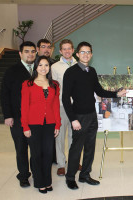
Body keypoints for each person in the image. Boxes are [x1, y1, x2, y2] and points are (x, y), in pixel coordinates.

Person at [62, 41, 127, 190]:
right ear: (77, 54)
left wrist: (116, 94)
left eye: (88, 52)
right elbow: (65, 98)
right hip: (79, 116)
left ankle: (85, 174)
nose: (86, 55)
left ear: (91, 55)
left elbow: (99, 91)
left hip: (91, 115)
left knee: (90, 147)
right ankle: (70, 177)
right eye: (82, 52)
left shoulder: (91, 71)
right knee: (76, 148)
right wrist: (73, 119)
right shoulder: (70, 72)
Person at [21, 56, 61, 194]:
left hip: (49, 124)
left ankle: (47, 181)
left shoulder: (54, 84)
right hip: (33, 124)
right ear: (36, 67)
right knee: (36, 153)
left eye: (46, 65)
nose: (43, 68)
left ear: (49, 68)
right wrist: (25, 126)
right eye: (40, 65)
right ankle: (39, 182)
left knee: (48, 153)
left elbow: (55, 106)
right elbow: (24, 107)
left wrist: (57, 124)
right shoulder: (28, 84)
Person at [0, 41, 36, 188]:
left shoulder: (41, 69)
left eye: (33, 51)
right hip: (18, 117)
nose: (30, 54)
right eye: (27, 51)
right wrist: (7, 115)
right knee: (21, 148)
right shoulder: (12, 70)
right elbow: (4, 94)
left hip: (37, 118)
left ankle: (37, 172)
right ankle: (23, 175)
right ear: (20, 54)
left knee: (36, 148)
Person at [51, 39, 79, 176]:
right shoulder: (55, 67)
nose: (67, 51)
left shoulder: (79, 64)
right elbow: (54, 89)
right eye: (64, 49)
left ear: (73, 50)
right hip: (61, 106)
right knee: (60, 137)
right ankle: (61, 164)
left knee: (75, 136)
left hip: (77, 106)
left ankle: (74, 161)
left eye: (69, 48)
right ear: (60, 51)